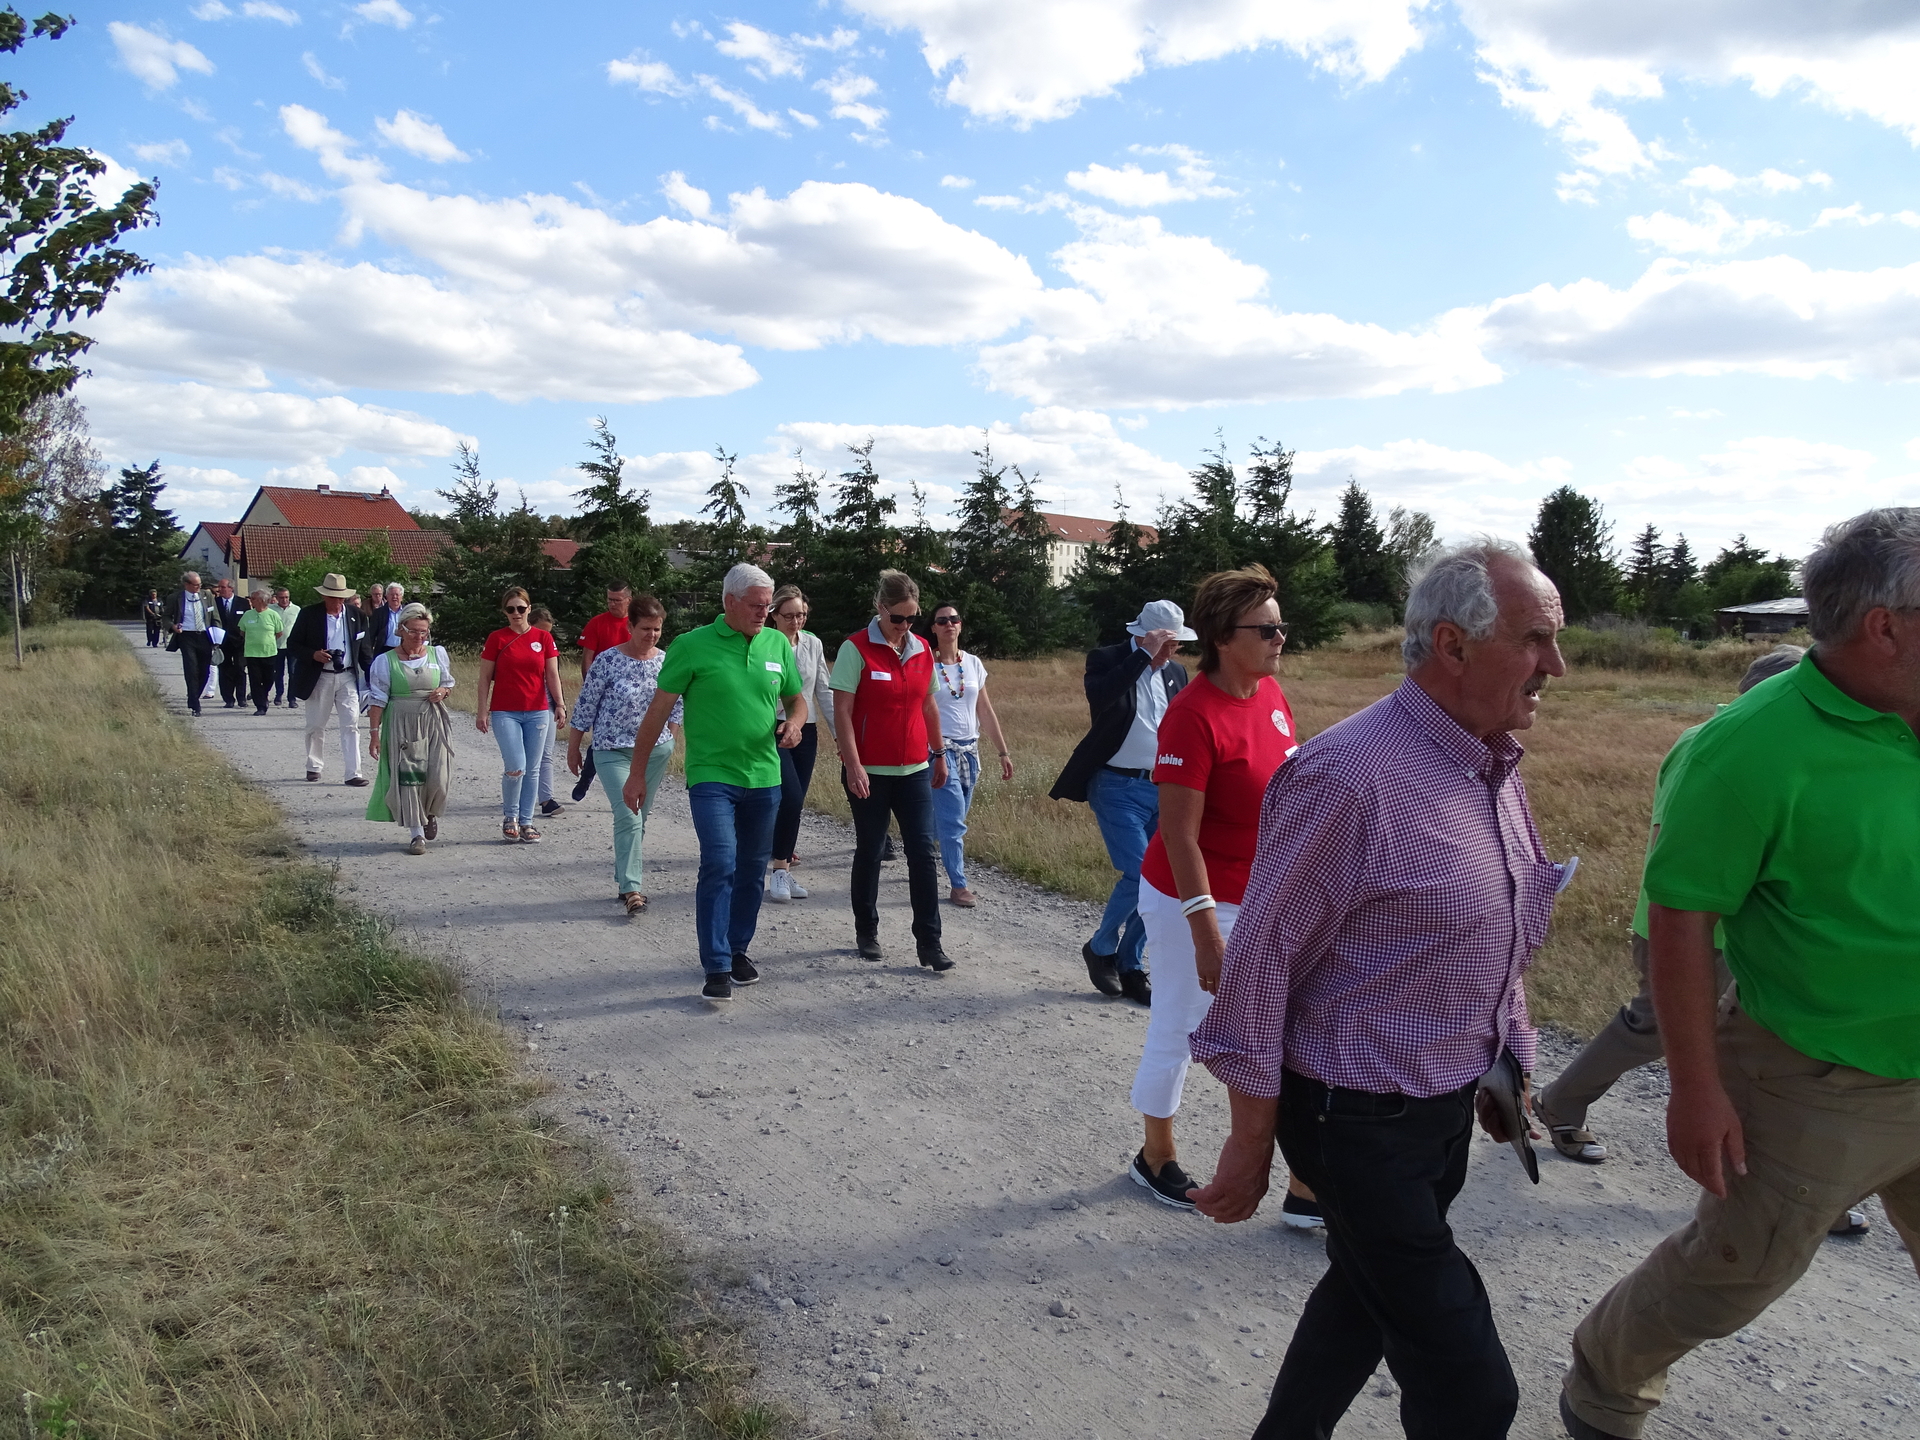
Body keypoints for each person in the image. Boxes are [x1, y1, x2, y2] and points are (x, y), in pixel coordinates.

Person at [1189, 540, 1570, 1440]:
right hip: (1352, 1120)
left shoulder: (1489, 762)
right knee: (1473, 1392)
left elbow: (1499, 926)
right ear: (1452, 645)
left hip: (1442, 1103)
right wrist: (1251, 1142)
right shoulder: (1348, 778)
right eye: (1534, 639)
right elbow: (1261, 964)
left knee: (1363, 1299)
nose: (1555, 665)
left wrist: (1507, 1062)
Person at [1559, 509, 1920, 1440]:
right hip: (1817, 1075)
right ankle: (1606, 1379)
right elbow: (1681, 921)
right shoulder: (1749, 749)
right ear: (1885, 625)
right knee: (1736, 1272)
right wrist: (1695, 1088)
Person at [1124, 566, 1319, 1231]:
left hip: (1261, 896)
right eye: (1267, 629)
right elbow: (1179, 834)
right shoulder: (1192, 715)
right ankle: (1155, 1155)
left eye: (1281, 626)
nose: (1280, 638)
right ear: (1222, 637)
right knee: (1182, 1024)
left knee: (1283, 1033)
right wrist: (1205, 931)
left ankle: (1304, 1185)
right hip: (1191, 896)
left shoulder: (1270, 694)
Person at [627, 563, 805, 1001]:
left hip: (764, 776)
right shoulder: (691, 646)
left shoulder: (776, 644)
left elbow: (796, 699)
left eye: (768, 606)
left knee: (751, 869)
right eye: (756, 605)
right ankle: (717, 965)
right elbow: (657, 712)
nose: (764, 613)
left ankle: (737, 949)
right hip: (712, 776)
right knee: (720, 862)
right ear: (729, 602)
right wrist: (637, 773)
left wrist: (796, 723)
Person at [1049, 599, 1193, 1003]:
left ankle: (1130, 964)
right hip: (1116, 786)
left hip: (1163, 788)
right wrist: (1143, 657)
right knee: (1141, 873)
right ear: (1144, 636)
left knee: (1163, 880)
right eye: (1166, 643)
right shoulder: (1108, 660)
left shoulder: (1177, 673)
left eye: (1177, 644)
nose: (1172, 652)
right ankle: (1100, 948)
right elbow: (1102, 697)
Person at [832, 569, 955, 973]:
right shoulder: (856, 648)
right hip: (869, 770)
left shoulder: (921, 649)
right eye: (897, 617)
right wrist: (853, 764)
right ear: (881, 608)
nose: (905, 625)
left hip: (915, 768)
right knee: (871, 850)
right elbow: (843, 711)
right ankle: (867, 931)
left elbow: (929, 704)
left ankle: (930, 943)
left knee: (922, 852)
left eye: (912, 618)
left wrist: (939, 753)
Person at [567, 593, 682, 914]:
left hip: (655, 752)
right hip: (612, 750)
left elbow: (677, 704)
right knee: (628, 813)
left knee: (638, 817)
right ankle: (633, 888)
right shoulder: (607, 660)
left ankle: (624, 878)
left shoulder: (666, 661)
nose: (652, 635)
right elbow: (586, 705)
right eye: (646, 628)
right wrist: (574, 747)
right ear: (630, 627)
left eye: (657, 629)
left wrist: (671, 739)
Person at [925, 603, 1011, 909]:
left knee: (952, 816)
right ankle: (958, 885)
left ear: (960, 625)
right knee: (953, 822)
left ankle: (919, 848)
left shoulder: (973, 663)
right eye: (942, 621)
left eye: (954, 619)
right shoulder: (926, 663)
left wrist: (1002, 751)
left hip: (969, 751)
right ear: (933, 628)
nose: (949, 624)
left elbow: (984, 710)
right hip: (939, 751)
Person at [476, 586, 566, 843]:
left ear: (529, 608)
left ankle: (527, 821)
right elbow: (484, 678)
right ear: (505, 611)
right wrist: (482, 710)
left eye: (521, 608)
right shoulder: (497, 638)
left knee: (533, 769)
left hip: (538, 711)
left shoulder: (543, 638)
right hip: (505, 711)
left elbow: (552, 675)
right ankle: (511, 816)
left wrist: (560, 704)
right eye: (511, 609)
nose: (516, 613)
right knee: (516, 766)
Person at [364, 602, 455, 855]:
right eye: (413, 631)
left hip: (433, 720)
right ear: (401, 629)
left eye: (423, 631)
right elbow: (377, 699)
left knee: (439, 775)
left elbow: (447, 684)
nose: (418, 636)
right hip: (402, 722)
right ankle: (416, 833)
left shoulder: (437, 654)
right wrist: (374, 734)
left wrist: (443, 691)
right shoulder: (385, 661)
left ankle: (429, 812)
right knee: (410, 777)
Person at [766, 584, 836, 903]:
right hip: (772, 728)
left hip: (805, 729)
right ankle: (779, 868)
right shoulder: (763, 643)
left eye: (802, 615)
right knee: (789, 797)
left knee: (796, 800)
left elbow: (823, 690)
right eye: (790, 616)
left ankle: (782, 861)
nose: (797, 621)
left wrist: (840, 736)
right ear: (774, 615)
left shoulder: (813, 644)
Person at [286, 572, 369, 786]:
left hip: (347, 676)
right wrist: (313, 654)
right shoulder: (309, 614)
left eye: (341, 597)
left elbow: (365, 649)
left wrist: (371, 678)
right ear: (324, 596)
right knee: (315, 724)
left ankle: (353, 773)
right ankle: (314, 766)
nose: (337, 601)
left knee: (351, 724)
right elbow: (293, 645)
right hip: (320, 676)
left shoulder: (357, 615)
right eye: (332, 597)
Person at [569, 580, 636, 803]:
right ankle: (586, 778)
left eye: (617, 600)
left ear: (629, 600)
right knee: (601, 739)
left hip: (632, 695)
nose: (612, 604)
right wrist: (591, 689)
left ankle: (630, 789)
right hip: (604, 692)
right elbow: (587, 659)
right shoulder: (597, 623)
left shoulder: (636, 624)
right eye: (609, 600)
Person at [163, 570, 217, 716]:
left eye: (200, 584)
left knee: (205, 671)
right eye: (195, 585)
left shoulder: (207, 596)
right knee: (191, 669)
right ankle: (195, 704)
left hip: (204, 636)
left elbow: (215, 616)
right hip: (186, 636)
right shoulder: (175, 598)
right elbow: (166, 617)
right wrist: (173, 626)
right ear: (186, 584)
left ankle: (194, 696)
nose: (199, 587)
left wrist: (217, 636)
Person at [236, 587, 288, 715]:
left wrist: (267, 640)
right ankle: (260, 706)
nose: (251, 600)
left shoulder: (273, 615)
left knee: (269, 679)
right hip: (252, 653)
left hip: (269, 652)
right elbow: (242, 631)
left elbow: (279, 632)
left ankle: (263, 695)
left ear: (261, 600)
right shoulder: (248, 614)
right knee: (255, 680)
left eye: (253, 598)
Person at [210, 577, 248, 709]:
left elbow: (246, 621)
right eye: (219, 587)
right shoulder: (215, 602)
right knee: (224, 670)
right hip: (222, 642)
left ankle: (241, 698)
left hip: (238, 642)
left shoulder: (242, 603)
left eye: (223, 587)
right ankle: (228, 699)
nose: (219, 590)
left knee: (240, 669)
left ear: (231, 588)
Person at [269, 587, 299, 707]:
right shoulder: (271, 609)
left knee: (293, 672)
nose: (284, 600)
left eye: (286, 597)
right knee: (278, 672)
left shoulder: (296, 609)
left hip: (292, 646)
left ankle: (292, 698)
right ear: (276, 598)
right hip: (276, 645)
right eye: (281, 597)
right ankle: (278, 694)